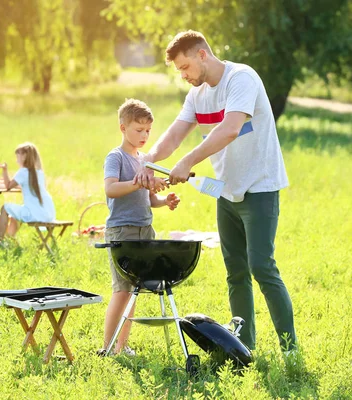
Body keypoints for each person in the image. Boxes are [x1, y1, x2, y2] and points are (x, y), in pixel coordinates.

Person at [134, 30, 296, 352]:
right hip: (226, 192)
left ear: (202, 54)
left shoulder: (241, 79)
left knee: (261, 267)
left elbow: (230, 129)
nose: (183, 75)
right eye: (179, 71)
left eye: (184, 67)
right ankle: (243, 346)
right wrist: (150, 159)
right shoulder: (197, 96)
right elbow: (175, 134)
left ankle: (290, 349)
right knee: (235, 272)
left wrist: (189, 160)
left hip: (259, 187)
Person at [100, 99, 180, 356]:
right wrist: (139, 182)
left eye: (148, 131)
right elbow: (111, 189)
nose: (144, 135)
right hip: (122, 231)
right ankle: (108, 346)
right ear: (123, 128)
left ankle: (122, 345)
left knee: (133, 291)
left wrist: (162, 201)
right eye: (138, 130)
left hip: (145, 230)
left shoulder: (145, 159)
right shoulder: (116, 157)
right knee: (121, 290)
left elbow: (147, 198)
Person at [0, 142, 55, 248]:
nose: (16, 159)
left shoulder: (23, 171)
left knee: (5, 208)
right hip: (47, 213)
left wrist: (5, 170)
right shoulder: (39, 172)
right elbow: (28, 187)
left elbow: (8, 186)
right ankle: (9, 242)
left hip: (34, 214)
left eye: (17, 155)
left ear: (24, 156)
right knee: (14, 216)